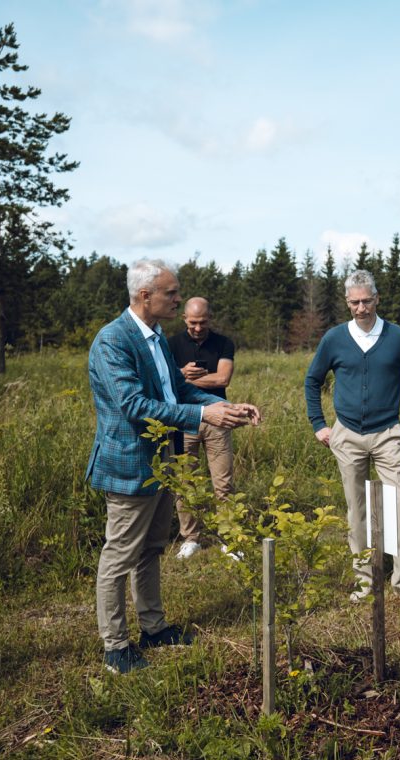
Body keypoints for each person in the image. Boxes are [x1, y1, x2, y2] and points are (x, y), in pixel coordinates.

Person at [86, 259, 261, 674]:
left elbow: (178, 390)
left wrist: (224, 406)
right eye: (172, 293)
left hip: (162, 461)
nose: (179, 299)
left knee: (151, 548)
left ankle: (154, 628)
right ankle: (115, 647)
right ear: (145, 295)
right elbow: (133, 405)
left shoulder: (157, 337)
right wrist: (202, 416)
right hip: (129, 464)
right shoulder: (113, 341)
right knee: (120, 555)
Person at [305, 269, 400, 606]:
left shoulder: (398, 337)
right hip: (346, 434)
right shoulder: (334, 338)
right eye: (354, 302)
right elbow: (312, 380)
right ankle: (364, 580)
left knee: (399, 506)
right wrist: (319, 423)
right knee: (357, 509)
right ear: (347, 302)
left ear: (377, 299)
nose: (361, 308)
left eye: (366, 301)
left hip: (388, 433)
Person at [168, 297, 238, 559]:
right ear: (184, 318)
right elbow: (165, 379)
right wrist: (180, 375)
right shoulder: (171, 344)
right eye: (193, 323)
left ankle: (228, 538)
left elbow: (223, 378)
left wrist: (184, 378)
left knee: (223, 482)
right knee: (185, 482)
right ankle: (191, 538)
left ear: (211, 318)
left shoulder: (224, 343)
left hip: (218, 419)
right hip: (184, 419)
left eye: (203, 322)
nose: (198, 328)